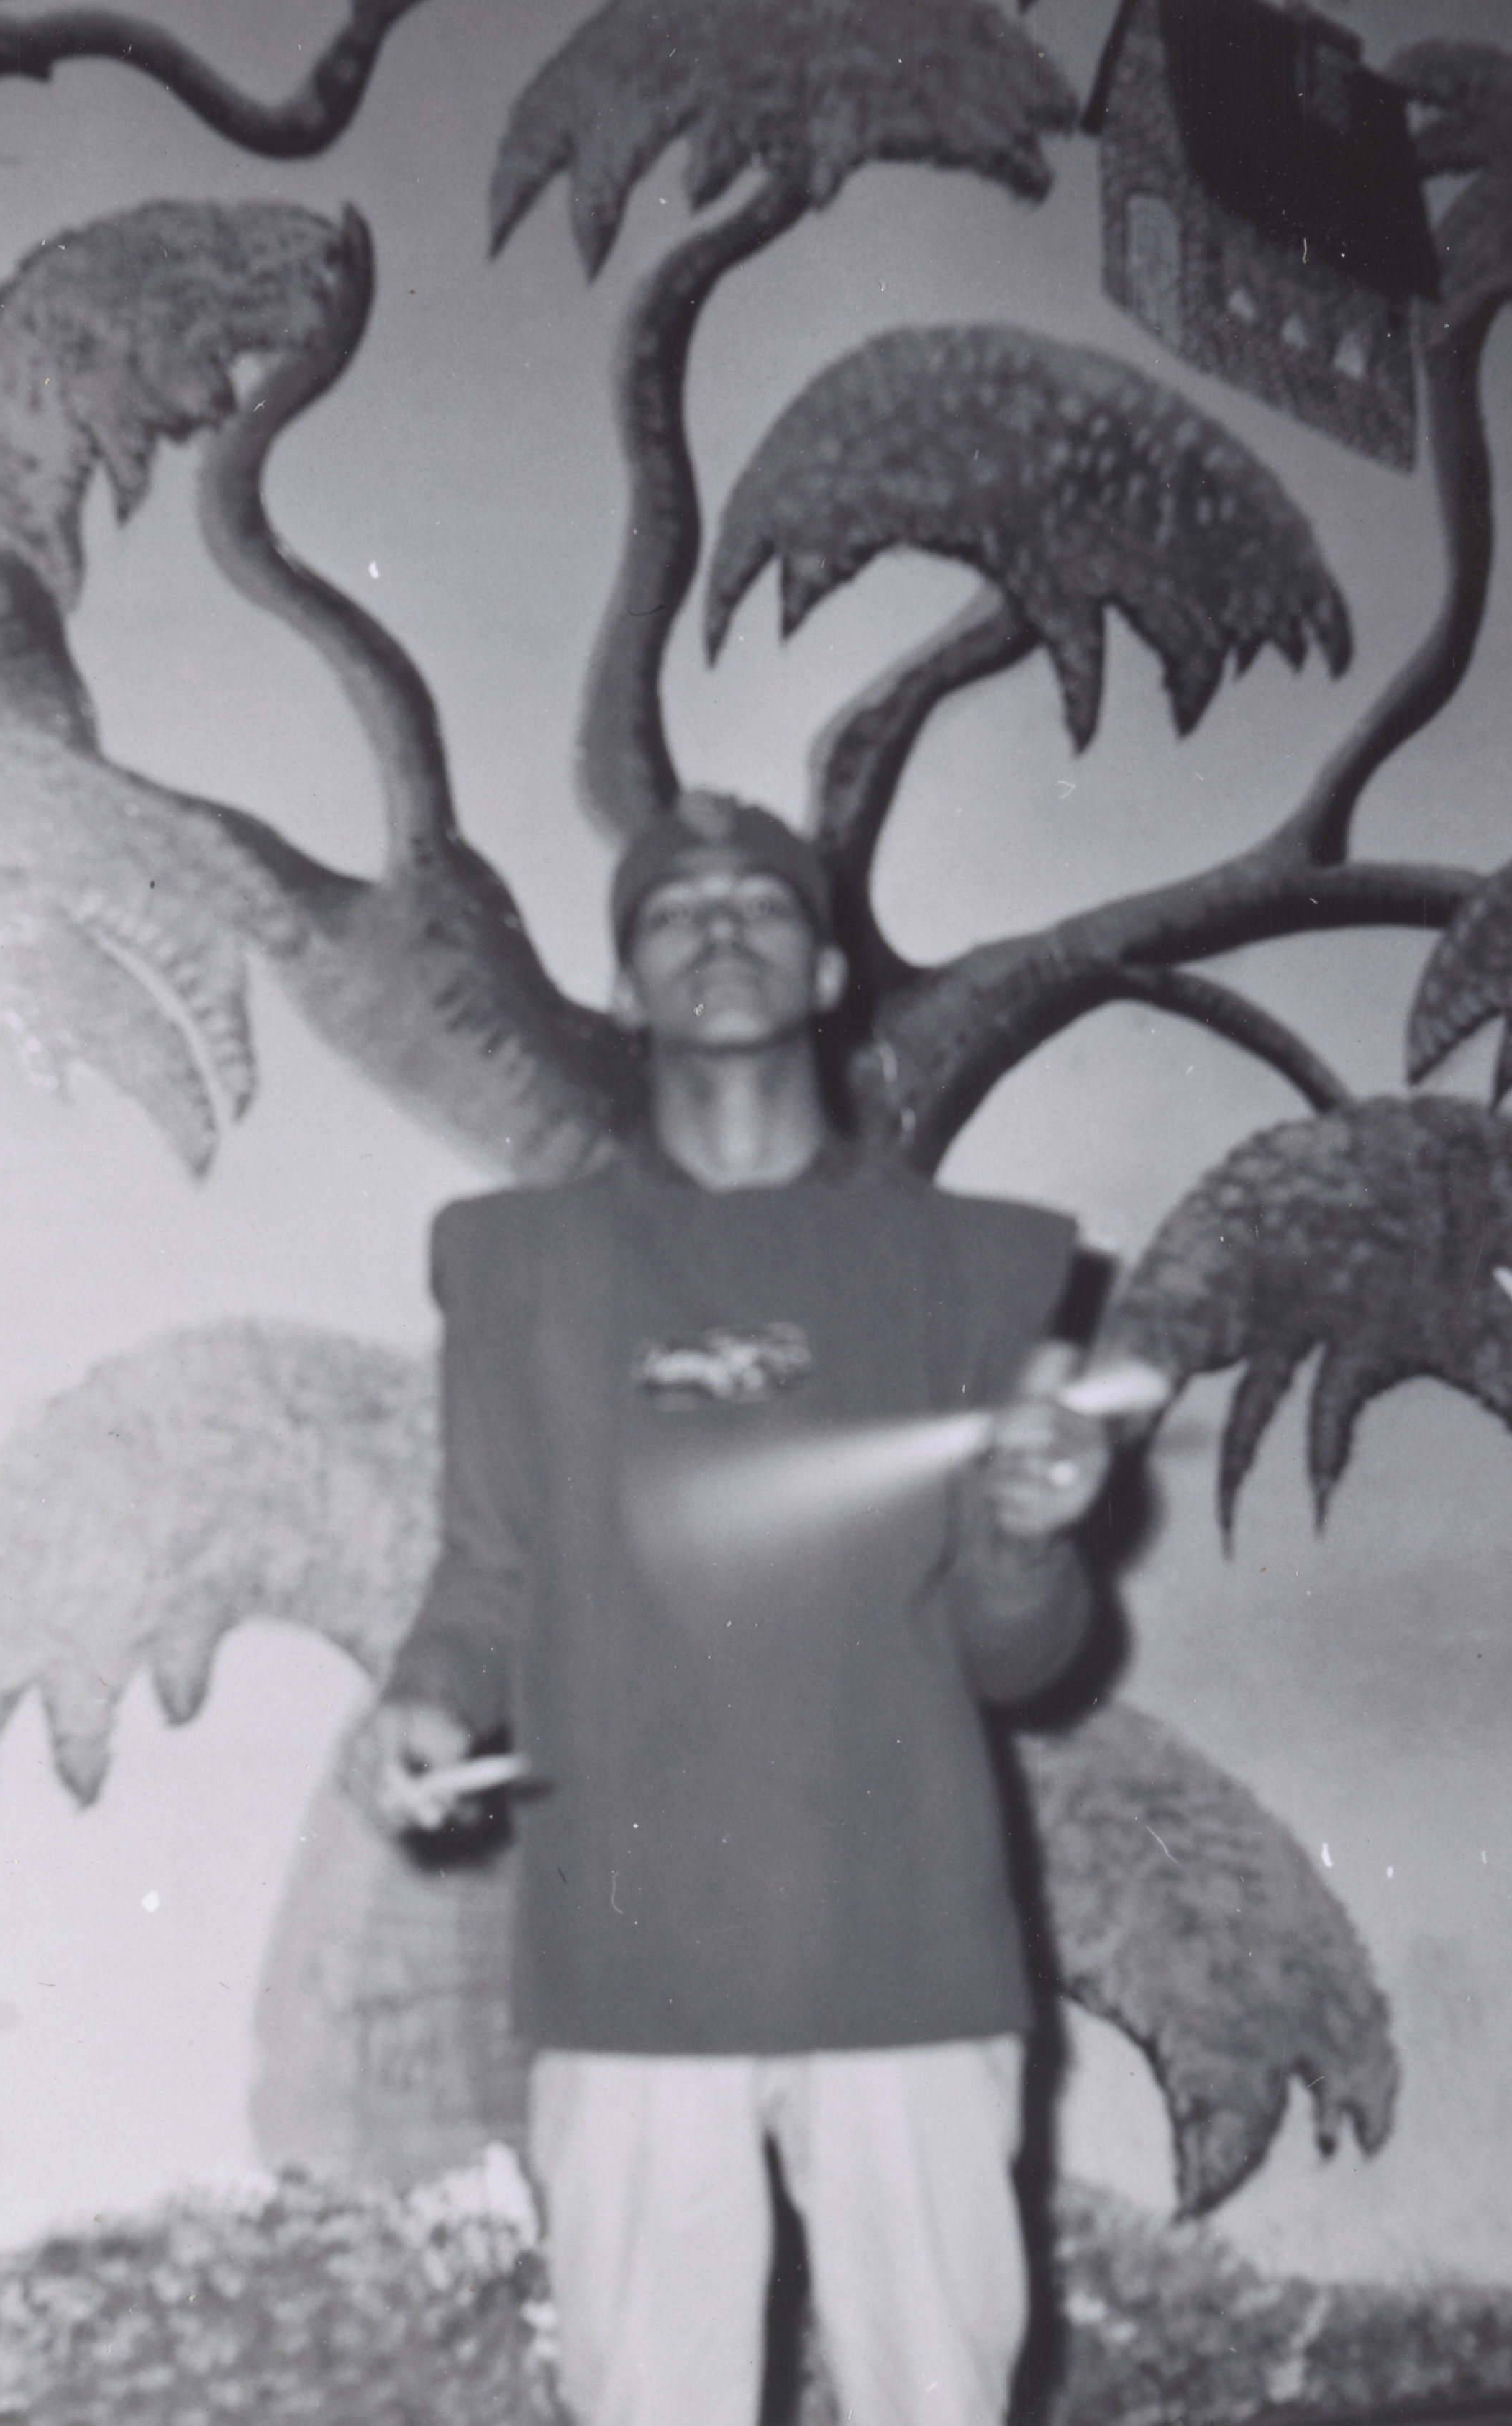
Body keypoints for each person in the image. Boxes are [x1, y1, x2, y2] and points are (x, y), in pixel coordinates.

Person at [344, 790, 1113, 2426]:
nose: (717, 927)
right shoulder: (521, 1266)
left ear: (829, 968)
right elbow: (488, 1570)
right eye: (671, 909)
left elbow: (1016, 1660)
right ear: (624, 989)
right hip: (630, 1960)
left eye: (759, 901)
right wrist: (422, 1701)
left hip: (905, 1949)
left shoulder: (972, 1269)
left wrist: (1036, 1537)